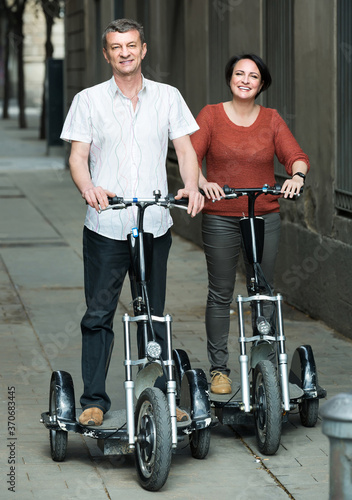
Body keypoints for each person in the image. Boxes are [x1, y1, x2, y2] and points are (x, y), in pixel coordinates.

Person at [60, 18, 203, 426]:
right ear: (107, 54)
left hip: (155, 223)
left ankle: (156, 395)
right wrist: (89, 188)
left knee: (152, 313)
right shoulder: (88, 100)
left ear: (143, 50)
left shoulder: (168, 97)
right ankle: (93, 400)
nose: (124, 52)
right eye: (116, 47)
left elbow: (186, 149)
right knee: (99, 313)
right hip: (106, 227)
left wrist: (191, 185)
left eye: (131, 45)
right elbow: (78, 158)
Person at [191, 53, 309, 395]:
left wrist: (296, 176)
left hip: (263, 215)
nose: (245, 80)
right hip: (220, 218)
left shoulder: (271, 119)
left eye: (252, 76)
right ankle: (218, 370)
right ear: (230, 78)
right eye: (239, 74)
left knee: (263, 291)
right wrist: (200, 181)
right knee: (220, 293)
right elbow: (190, 154)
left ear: (262, 84)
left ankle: (264, 363)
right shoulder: (211, 115)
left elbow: (295, 156)